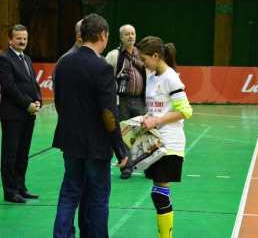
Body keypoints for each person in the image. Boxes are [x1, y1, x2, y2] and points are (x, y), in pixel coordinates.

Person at [52, 13, 128, 238]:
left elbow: (59, 103)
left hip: (70, 142)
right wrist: (120, 149)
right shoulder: (102, 67)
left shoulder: (63, 62)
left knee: (69, 195)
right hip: (95, 145)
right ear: (103, 35)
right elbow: (108, 114)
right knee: (98, 200)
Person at [136, 36, 193, 238]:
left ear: (156, 55)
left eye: (144, 59)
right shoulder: (151, 78)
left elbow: (185, 111)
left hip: (169, 144)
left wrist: (156, 122)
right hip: (155, 143)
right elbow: (157, 109)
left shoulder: (171, 78)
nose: (143, 63)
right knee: (158, 194)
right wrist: (146, 118)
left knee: (158, 195)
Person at [0, 24, 42, 203]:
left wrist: (38, 99)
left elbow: (34, 84)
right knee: (10, 154)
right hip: (13, 115)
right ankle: (10, 191)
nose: (22, 41)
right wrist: (28, 104)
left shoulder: (27, 59)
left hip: (28, 115)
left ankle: (20, 187)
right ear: (10, 40)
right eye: (18, 38)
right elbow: (9, 87)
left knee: (23, 154)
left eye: (24, 38)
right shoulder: (5, 59)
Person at [105, 24, 147, 179]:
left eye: (133, 33)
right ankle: (127, 168)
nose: (131, 36)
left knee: (144, 133)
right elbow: (105, 78)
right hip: (121, 101)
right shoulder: (113, 55)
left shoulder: (142, 54)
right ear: (121, 37)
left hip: (139, 100)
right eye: (127, 34)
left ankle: (147, 166)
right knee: (123, 134)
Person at [52, 19, 83, 91]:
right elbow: (58, 91)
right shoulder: (64, 61)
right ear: (79, 36)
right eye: (91, 34)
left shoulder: (100, 59)